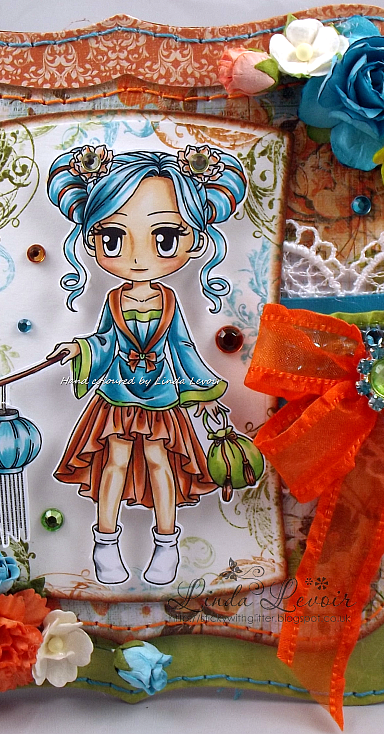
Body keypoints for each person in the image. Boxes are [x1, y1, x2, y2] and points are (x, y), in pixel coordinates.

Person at [46, 144, 248, 586]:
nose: (137, 258)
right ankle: (105, 543)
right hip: (117, 394)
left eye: (165, 238)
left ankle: (166, 544)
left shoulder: (170, 300)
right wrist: (79, 349)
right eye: (113, 239)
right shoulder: (113, 299)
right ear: (93, 239)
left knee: (161, 463)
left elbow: (184, 349)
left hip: (161, 397)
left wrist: (205, 394)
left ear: (195, 240)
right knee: (114, 463)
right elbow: (104, 340)